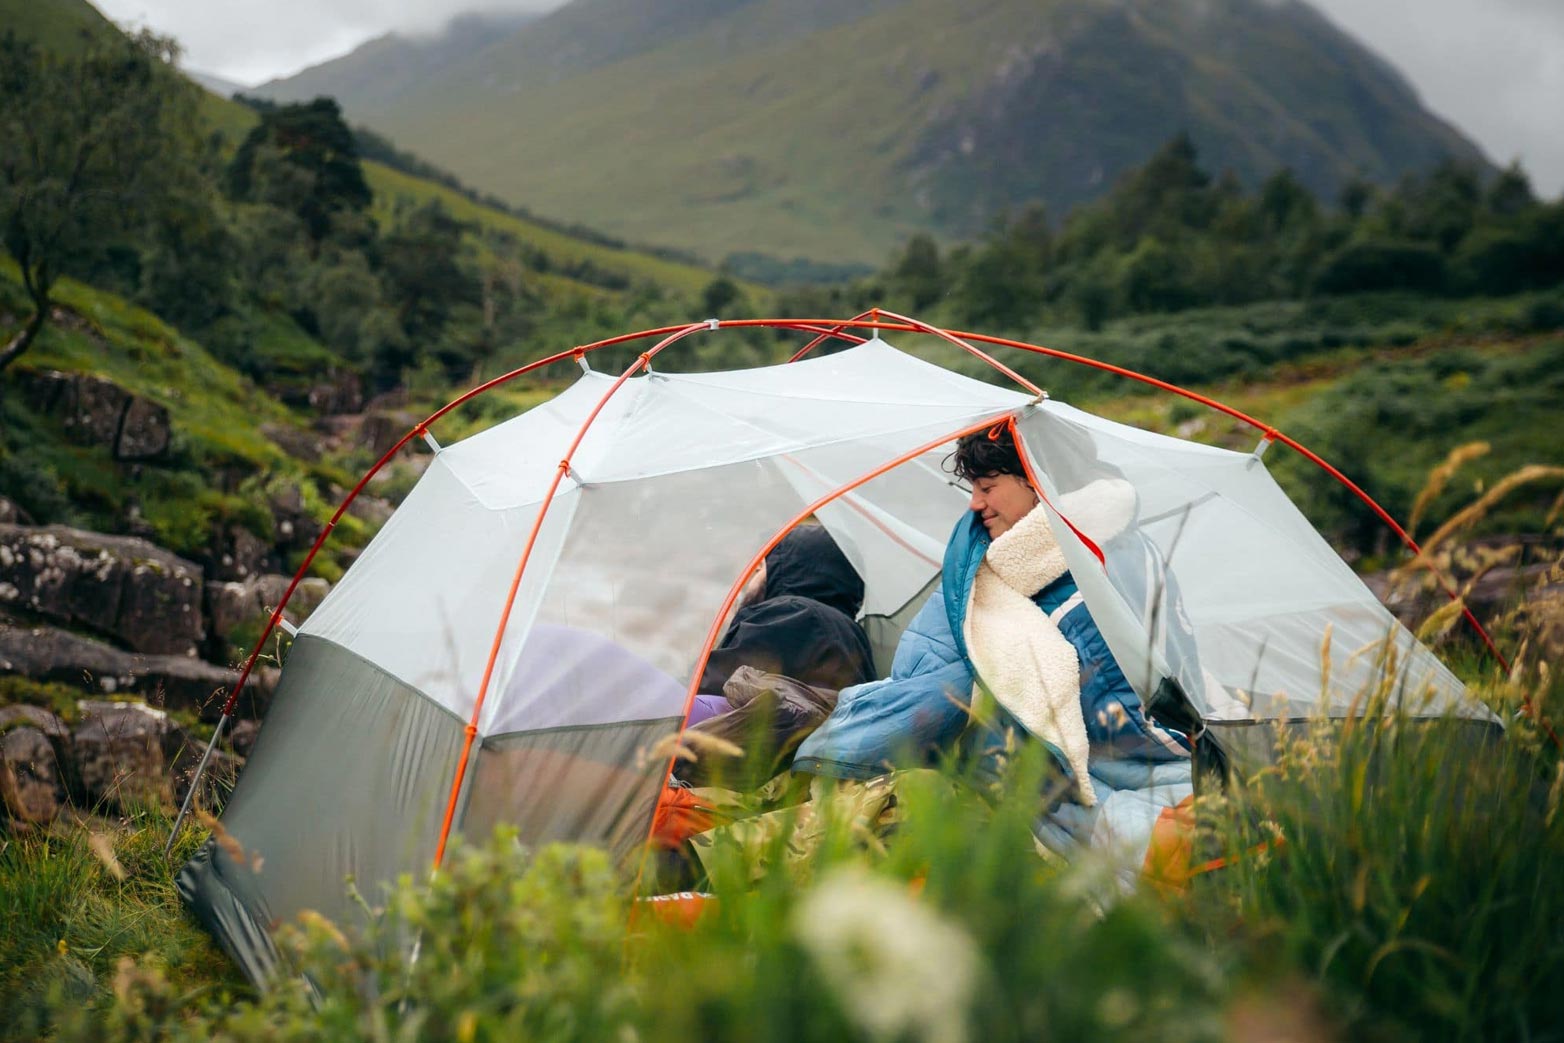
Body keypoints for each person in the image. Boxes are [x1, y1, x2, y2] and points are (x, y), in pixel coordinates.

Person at [793, 422, 1190, 801]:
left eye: (987, 487)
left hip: (1126, 753)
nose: (975, 503)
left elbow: (1114, 701)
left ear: (1039, 479)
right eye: (973, 488)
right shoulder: (999, 558)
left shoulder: (1104, 563)